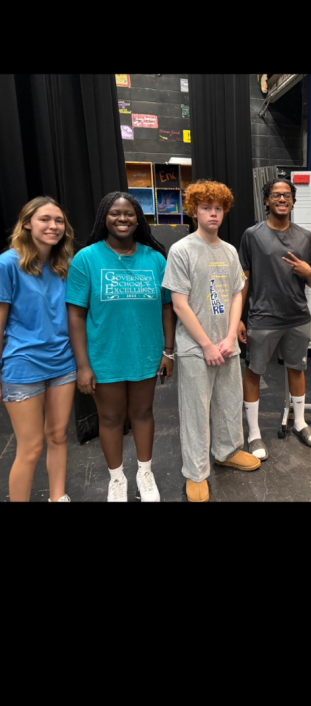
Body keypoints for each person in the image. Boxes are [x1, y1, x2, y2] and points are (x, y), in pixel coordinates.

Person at [66, 192, 175, 502]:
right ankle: (117, 479)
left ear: (138, 219)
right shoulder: (86, 259)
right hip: (105, 356)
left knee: (143, 413)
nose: (123, 218)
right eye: (115, 213)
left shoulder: (155, 259)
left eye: (129, 213)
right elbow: (75, 315)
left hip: (145, 353)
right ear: (104, 217)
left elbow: (167, 308)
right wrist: (82, 365)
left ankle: (145, 473)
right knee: (111, 419)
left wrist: (168, 351)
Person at [161, 180, 261, 502]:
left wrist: (230, 337)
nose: (213, 213)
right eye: (206, 208)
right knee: (195, 412)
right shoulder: (182, 250)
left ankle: (227, 451)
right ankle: (196, 472)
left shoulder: (229, 251)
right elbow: (179, 304)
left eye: (218, 208)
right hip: (195, 348)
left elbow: (236, 295)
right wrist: (205, 344)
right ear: (194, 211)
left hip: (227, 346)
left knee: (229, 403)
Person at [238, 177, 311, 460]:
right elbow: (244, 279)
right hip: (262, 318)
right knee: (254, 372)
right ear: (267, 200)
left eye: (287, 195)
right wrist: (239, 318)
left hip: (298, 317)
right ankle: (254, 434)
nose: (282, 199)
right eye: (276, 195)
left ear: (293, 201)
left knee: (296, 369)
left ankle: (299, 423)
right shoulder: (252, 235)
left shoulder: (306, 237)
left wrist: (307, 272)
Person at [0, 196, 77, 502]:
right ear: (27, 224)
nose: (53, 226)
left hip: (63, 363)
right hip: (22, 365)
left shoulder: (64, 265)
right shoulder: (7, 264)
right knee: (30, 448)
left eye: (58, 221)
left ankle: (58, 497)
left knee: (58, 436)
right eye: (44, 219)